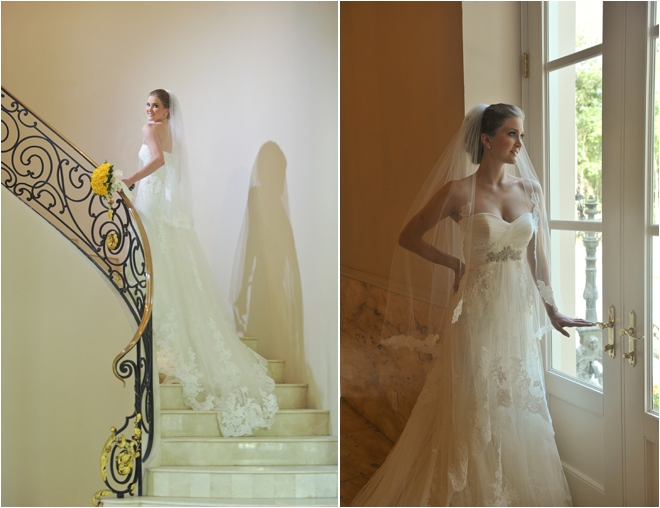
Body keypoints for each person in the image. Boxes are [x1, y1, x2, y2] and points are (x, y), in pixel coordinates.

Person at [351, 104, 591, 506]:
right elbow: (408, 236)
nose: (519, 143)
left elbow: (538, 257)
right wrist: (455, 263)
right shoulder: (459, 191)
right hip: (476, 315)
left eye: (521, 135)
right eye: (512, 134)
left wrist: (552, 310)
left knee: (515, 403)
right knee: (474, 404)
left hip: (514, 316)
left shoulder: (530, 190)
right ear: (487, 139)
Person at [122, 89, 279, 437]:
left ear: (166, 111)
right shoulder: (172, 134)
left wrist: (132, 179)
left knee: (155, 268)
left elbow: (159, 162)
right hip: (163, 208)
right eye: (146, 105)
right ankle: (163, 334)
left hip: (151, 204)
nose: (149, 111)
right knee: (169, 271)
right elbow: (169, 165)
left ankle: (160, 337)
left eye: (155, 106)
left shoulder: (151, 132)